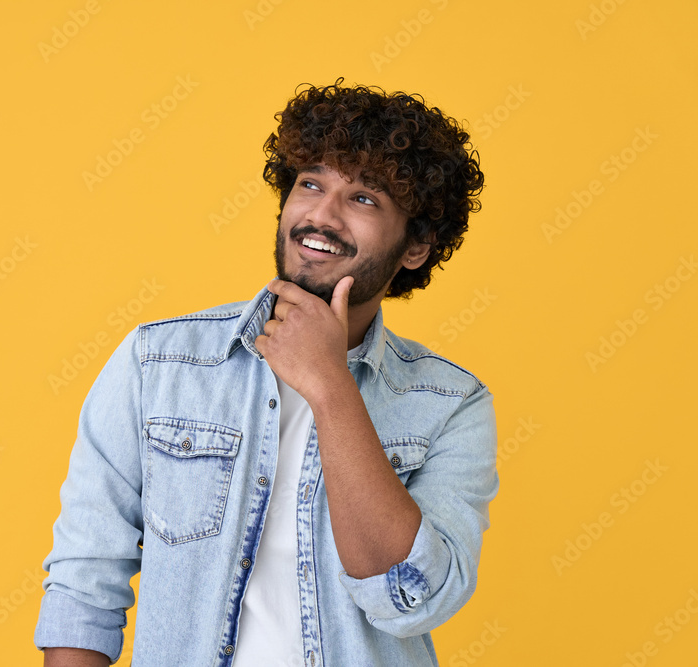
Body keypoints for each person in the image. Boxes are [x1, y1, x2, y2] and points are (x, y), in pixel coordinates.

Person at [35, 78, 497, 667]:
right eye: (310, 184)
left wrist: (331, 386)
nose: (321, 216)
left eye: (363, 198)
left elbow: (409, 599)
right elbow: (85, 579)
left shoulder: (450, 403)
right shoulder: (158, 364)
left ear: (415, 247)